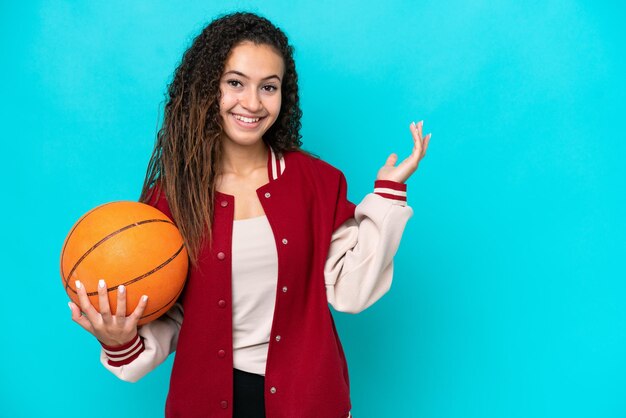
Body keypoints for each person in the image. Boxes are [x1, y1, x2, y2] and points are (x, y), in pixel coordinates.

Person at [68, 11, 430, 418]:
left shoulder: (318, 183)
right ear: (208, 88)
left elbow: (352, 292)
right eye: (235, 83)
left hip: (307, 401)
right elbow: (167, 319)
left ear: (284, 95)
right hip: (204, 404)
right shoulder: (171, 199)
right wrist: (119, 339)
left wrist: (387, 194)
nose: (253, 103)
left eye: (268, 87)